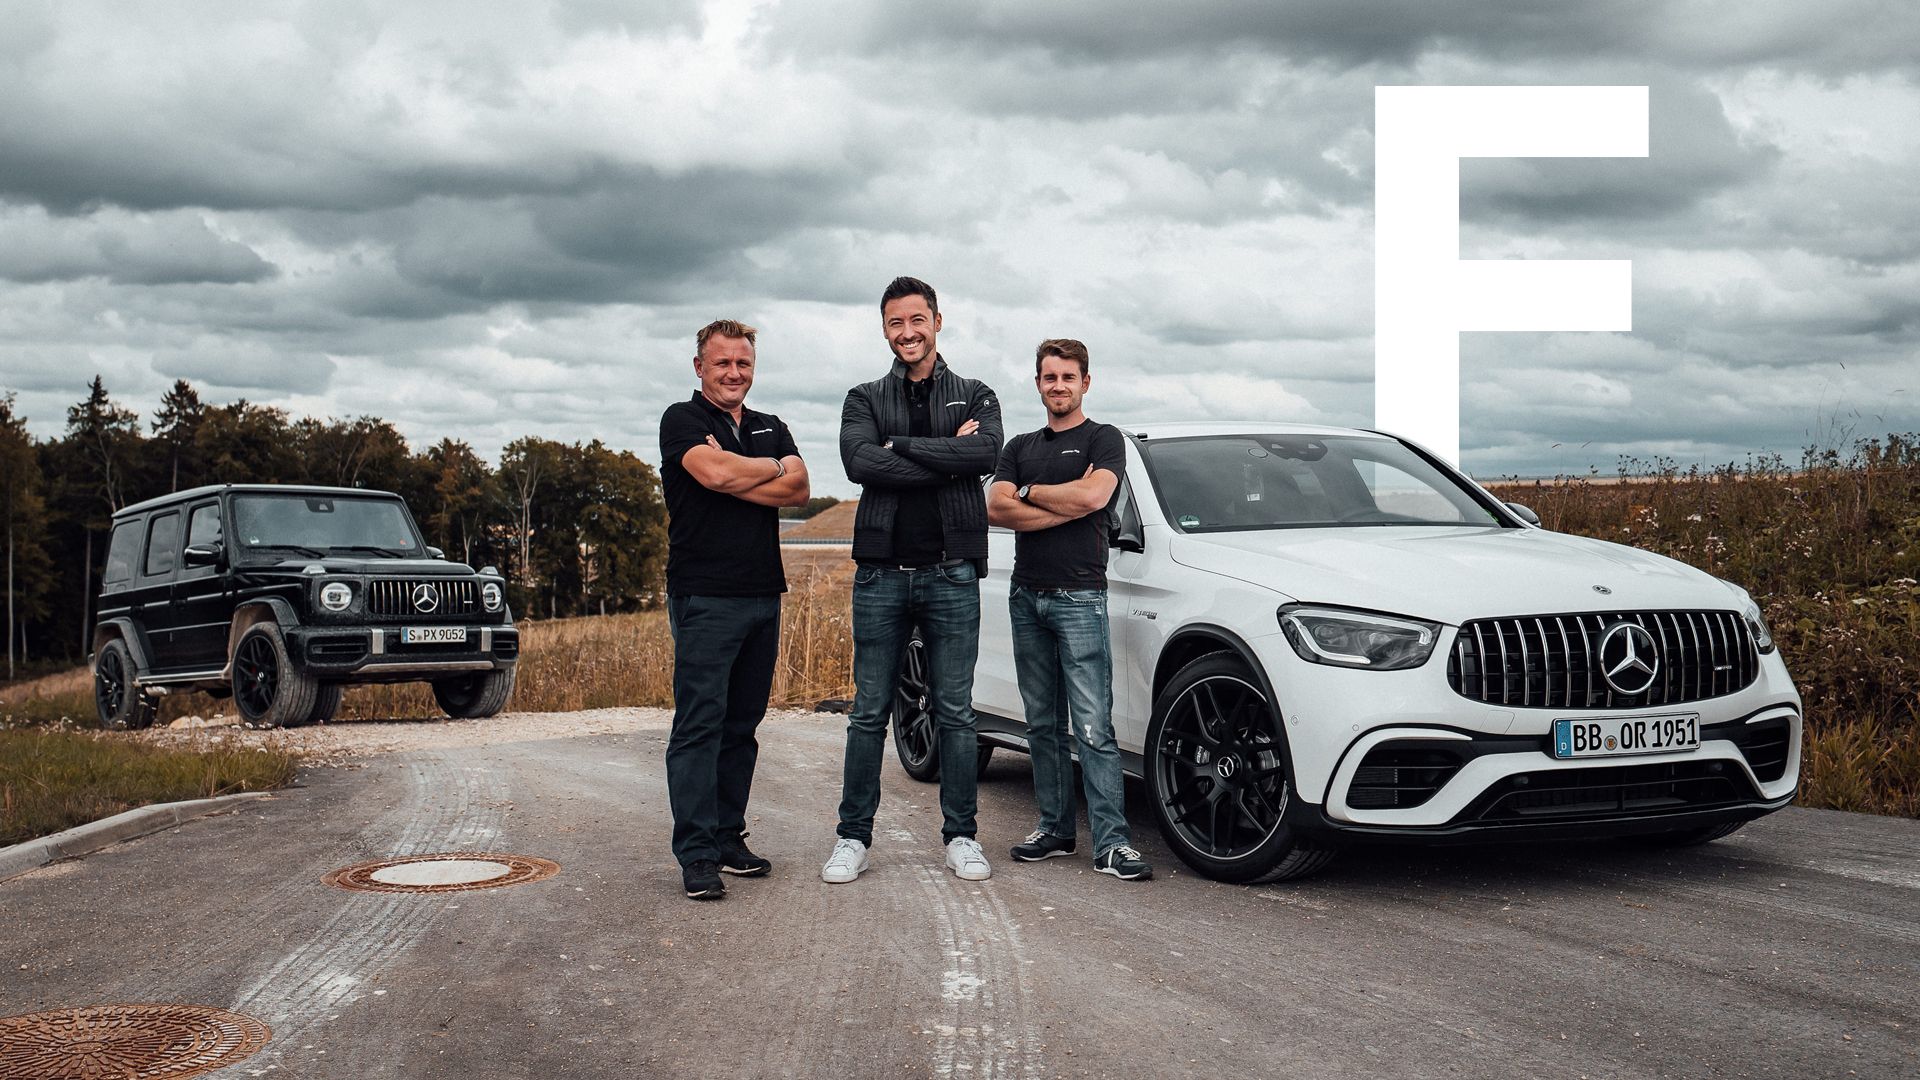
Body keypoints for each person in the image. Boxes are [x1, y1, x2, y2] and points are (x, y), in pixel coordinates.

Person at [823, 276, 1002, 884]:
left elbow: (984, 458)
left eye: (917, 320)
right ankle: (852, 837)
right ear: (885, 329)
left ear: (937, 321)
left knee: (954, 711)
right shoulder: (863, 397)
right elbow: (858, 462)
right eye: (896, 323)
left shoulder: (976, 394)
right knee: (869, 712)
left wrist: (900, 449)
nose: (908, 332)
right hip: (881, 576)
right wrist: (940, 454)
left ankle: (962, 837)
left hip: (951, 574)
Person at [984, 339, 1152, 881]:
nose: (1059, 386)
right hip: (1027, 596)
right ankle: (1054, 830)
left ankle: (1111, 844)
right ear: (1038, 383)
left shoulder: (1104, 440)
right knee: (1042, 724)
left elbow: (1095, 499)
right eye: (1049, 377)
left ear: (1086, 382)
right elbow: (995, 506)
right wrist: (1066, 502)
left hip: (1080, 596)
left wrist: (1032, 493)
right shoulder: (1018, 445)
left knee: (1093, 726)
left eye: (1068, 377)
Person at [658, 319, 810, 900]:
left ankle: (726, 836)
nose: (733, 373)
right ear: (700, 366)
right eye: (722, 363)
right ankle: (696, 853)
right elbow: (713, 471)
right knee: (699, 724)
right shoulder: (683, 419)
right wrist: (764, 468)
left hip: (761, 594)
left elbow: (798, 489)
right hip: (704, 594)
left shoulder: (772, 424)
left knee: (742, 725)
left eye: (743, 363)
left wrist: (752, 473)